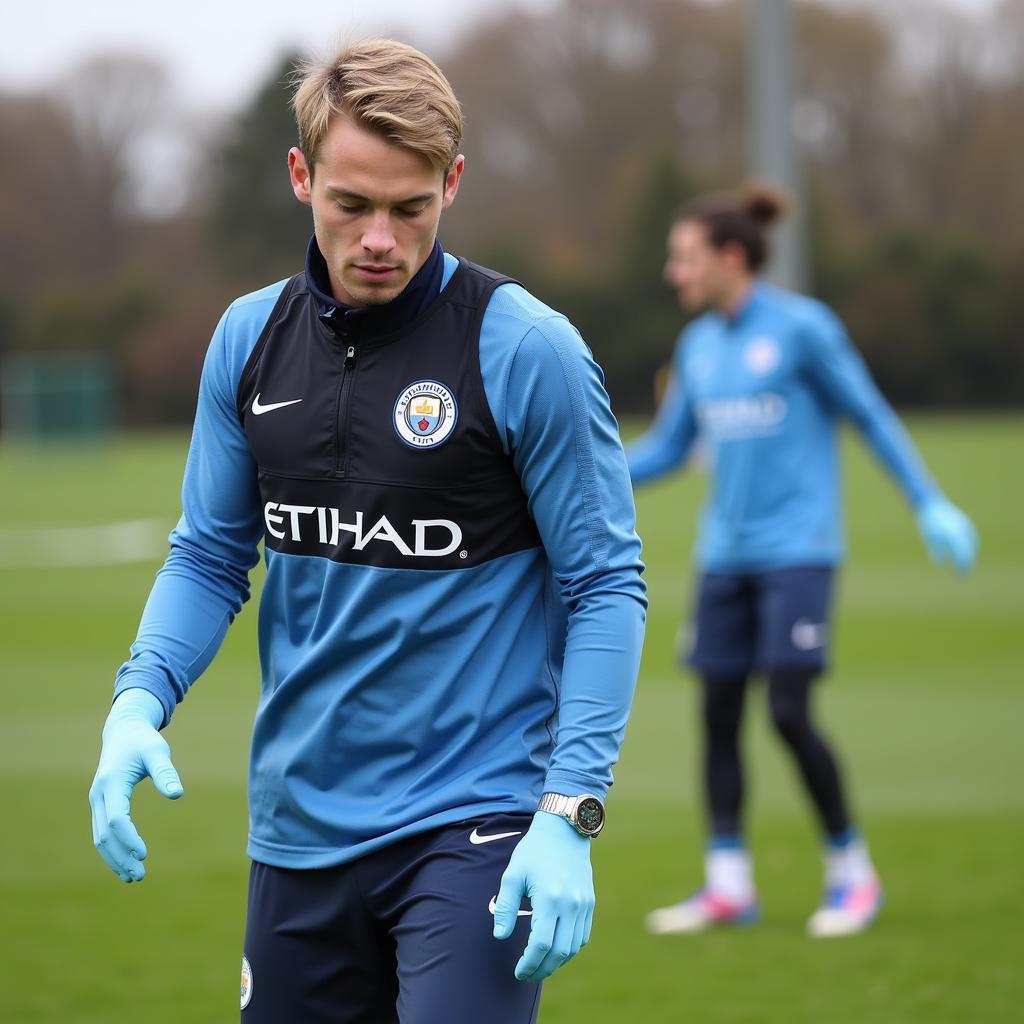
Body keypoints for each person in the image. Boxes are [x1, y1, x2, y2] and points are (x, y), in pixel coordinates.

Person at [88, 39, 646, 1022]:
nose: (380, 236)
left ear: (452, 183)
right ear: (300, 176)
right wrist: (137, 700)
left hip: (472, 824)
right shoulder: (247, 341)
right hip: (297, 832)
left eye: (410, 206)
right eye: (351, 203)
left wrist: (569, 809)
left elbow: (604, 583)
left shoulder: (525, 349)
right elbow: (211, 554)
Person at [628, 185, 977, 939]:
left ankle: (853, 874)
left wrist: (928, 501)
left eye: (684, 258)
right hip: (724, 557)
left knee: (787, 710)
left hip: (798, 554)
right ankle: (729, 886)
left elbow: (869, 414)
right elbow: (666, 449)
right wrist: (583, 474)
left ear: (730, 258)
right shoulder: (698, 347)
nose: (672, 273)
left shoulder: (802, 328)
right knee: (717, 715)